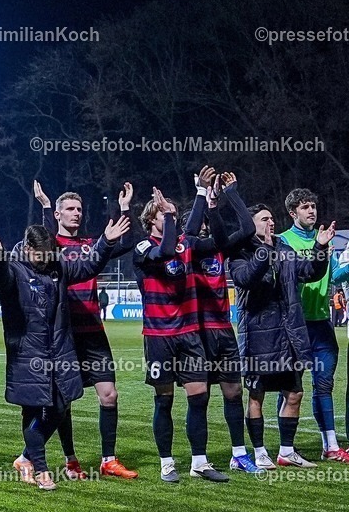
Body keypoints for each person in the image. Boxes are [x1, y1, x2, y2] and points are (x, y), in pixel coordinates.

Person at [0, 218, 126, 490]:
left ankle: (25, 459)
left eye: (48, 254)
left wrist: (106, 242)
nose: (44, 260)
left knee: (60, 406)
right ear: (28, 248)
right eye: (40, 254)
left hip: (60, 350)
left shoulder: (58, 267)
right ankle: (41, 470)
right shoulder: (14, 269)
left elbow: (88, 267)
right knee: (32, 409)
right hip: (27, 353)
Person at [33, 180, 138, 480]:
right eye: (69, 209)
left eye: (79, 208)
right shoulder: (51, 248)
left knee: (109, 395)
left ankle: (108, 460)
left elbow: (126, 242)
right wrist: (44, 206)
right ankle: (70, 460)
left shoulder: (92, 246)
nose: (76, 213)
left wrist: (125, 208)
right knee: (64, 401)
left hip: (92, 330)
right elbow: (41, 240)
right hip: (64, 334)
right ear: (58, 215)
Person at [134, 187, 227, 483]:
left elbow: (211, 238)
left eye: (171, 212)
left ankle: (199, 461)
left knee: (199, 397)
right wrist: (173, 218)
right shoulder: (142, 248)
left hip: (189, 333)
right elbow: (164, 252)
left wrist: (200, 192)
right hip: (159, 335)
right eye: (164, 212)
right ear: (152, 219)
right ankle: (167, 462)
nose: (170, 215)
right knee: (164, 400)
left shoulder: (187, 245)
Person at [231, 204, 332, 469]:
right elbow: (246, 279)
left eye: (272, 218)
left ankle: (286, 451)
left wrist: (320, 249)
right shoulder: (240, 251)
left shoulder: (284, 248)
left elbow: (309, 272)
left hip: (288, 335)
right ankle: (260, 451)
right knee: (256, 395)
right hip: (258, 334)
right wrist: (264, 249)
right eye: (265, 219)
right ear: (251, 224)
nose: (271, 222)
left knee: (295, 392)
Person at [181, 168, 257, 474]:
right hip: (195, 333)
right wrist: (204, 199)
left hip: (222, 329)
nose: (202, 229)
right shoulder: (185, 246)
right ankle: (199, 460)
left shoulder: (218, 246)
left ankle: (238, 454)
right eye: (198, 224)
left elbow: (248, 228)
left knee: (233, 393)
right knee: (199, 397)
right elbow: (188, 235)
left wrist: (230, 194)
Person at [279, 188, 349, 461]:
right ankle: (287, 447)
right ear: (292, 212)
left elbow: (336, 275)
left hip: (321, 324)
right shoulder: (282, 241)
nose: (311, 211)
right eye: (305, 207)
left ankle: (330, 446)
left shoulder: (324, 240)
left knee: (324, 386)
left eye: (313, 206)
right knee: (288, 388)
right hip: (294, 326)